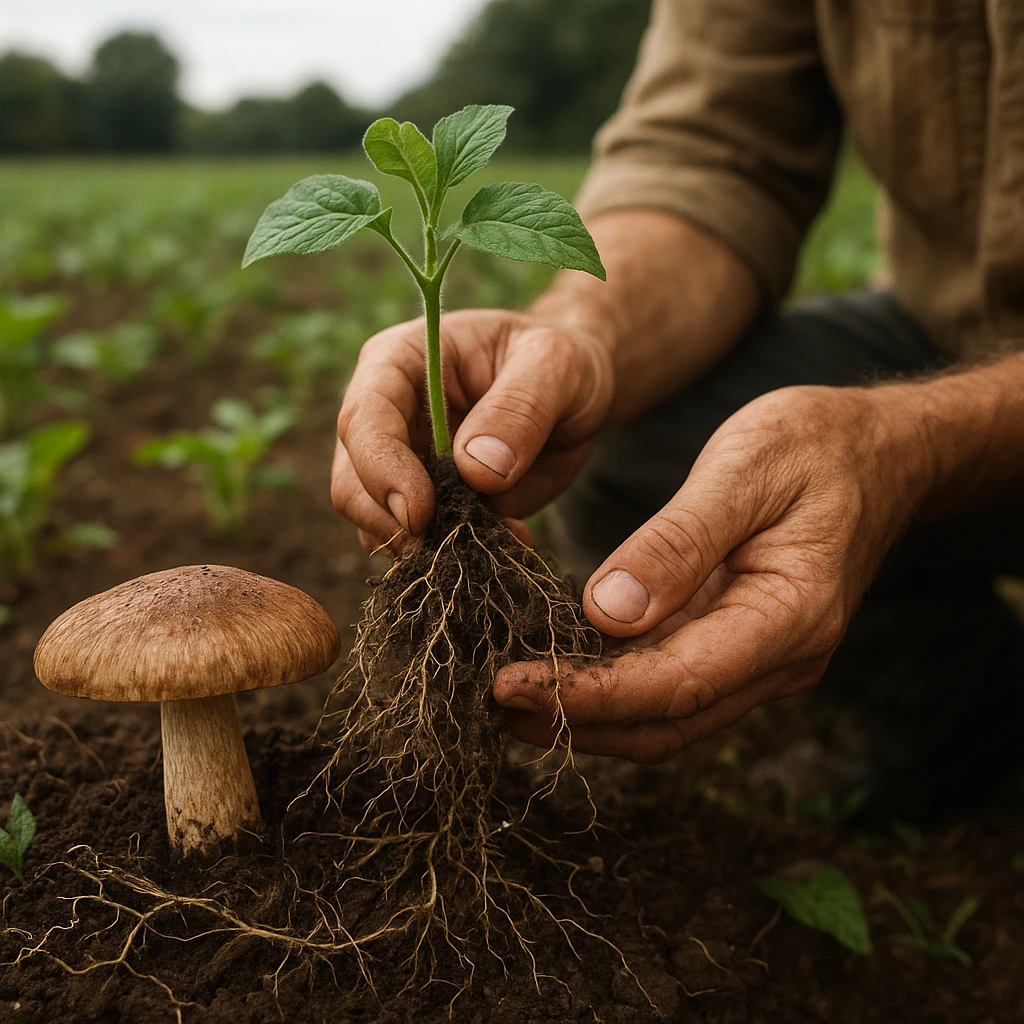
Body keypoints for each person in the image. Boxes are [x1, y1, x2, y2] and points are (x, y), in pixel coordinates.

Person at [331, 0, 1024, 817]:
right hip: (948, 332)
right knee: (643, 442)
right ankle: (964, 710)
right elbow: (714, 152)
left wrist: (911, 447)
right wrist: (579, 338)